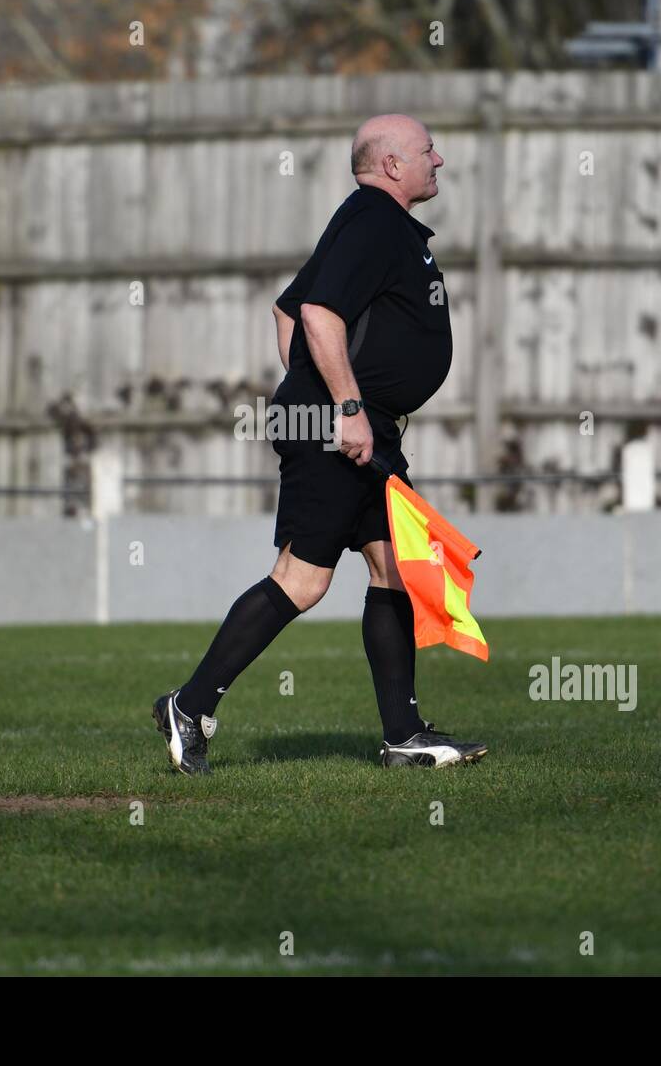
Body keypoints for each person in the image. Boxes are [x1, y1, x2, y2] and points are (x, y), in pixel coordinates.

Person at [153, 113, 487, 773]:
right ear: (392, 165)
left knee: (396, 567)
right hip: (344, 430)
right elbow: (315, 313)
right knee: (302, 581)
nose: (439, 159)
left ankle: (403, 735)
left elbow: (287, 307)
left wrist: (316, 391)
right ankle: (188, 707)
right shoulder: (372, 219)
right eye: (427, 151)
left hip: (357, 429)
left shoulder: (375, 221)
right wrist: (341, 405)